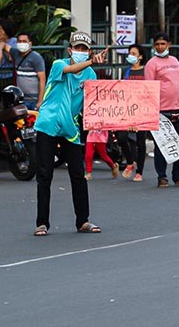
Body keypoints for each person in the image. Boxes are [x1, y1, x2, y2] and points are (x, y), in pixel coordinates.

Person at [32, 31, 108, 237]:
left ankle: (83, 220)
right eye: (78, 48)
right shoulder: (59, 65)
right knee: (45, 174)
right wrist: (91, 61)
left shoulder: (90, 75)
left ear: (89, 51)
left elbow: (94, 104)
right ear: (70, 50)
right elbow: (72, 69)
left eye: (85, 49)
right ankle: (42, 223)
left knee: (78, 174)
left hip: (70, 127)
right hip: (48, 123)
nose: (80, 52)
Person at [144, 32, 179, 188]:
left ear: (169, 45)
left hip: (177, 110)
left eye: (163, 44)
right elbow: (148, 89)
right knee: (162, 147)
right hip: (161, 113)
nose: (160, 47)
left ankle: (178, 175)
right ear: (154, 46)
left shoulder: (175, 61)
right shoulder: (151, 64)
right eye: (157, 44)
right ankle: (162, 177)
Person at [117, 44, 148, 182]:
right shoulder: (127, 71)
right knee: (122, 137)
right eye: (130, 53)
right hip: (128, 109)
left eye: (134, 53)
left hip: (142, 110)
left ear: (140, 56)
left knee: (141, 141)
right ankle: (130, 162)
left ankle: (139, 171)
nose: (131, 55)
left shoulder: (146, 71)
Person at [0, 32, 46, 110]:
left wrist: (40, 100)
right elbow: (3, 44)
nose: (21, 43)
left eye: (24, 41)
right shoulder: (15, 53)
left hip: (34, 100)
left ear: (30, 43)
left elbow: (42, 79)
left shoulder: (36, 58)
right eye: (19, 41)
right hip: (21, 99)